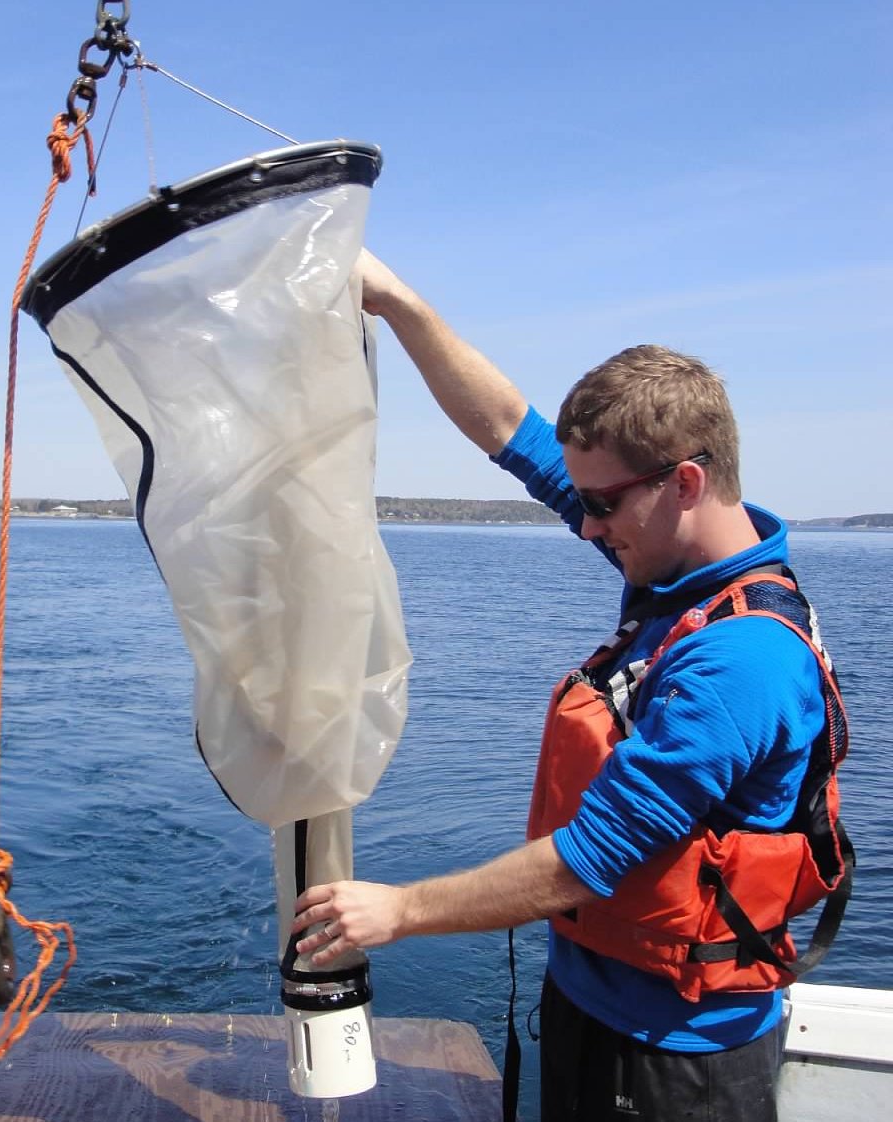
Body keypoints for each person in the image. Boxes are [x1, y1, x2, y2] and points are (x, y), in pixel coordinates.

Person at [290, 252, 850, 1121]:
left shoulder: (743, 659)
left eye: (602, 506)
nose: (584, 524)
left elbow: (591, 859)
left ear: (687, 483)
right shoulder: (674, 572)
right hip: (594, 1010)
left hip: (673, 1063)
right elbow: (512, 432)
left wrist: (398, 910)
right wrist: (397, 301)